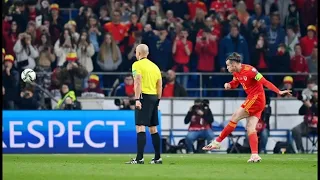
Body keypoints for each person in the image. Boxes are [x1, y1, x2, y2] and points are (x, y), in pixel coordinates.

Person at [202, 52, 291, 162]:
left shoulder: (251, 71)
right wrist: (229, 85)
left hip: (256, 98)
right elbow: (235, 83)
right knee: (250, 128)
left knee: (235, 116)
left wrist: (278, 91)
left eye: (228, 65)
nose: (227, 67)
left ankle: (217, 142)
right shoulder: (236, 72)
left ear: (234, 64)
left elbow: (265, 82)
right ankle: (255, 155)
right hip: (254, 99)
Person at [126, 44, 162, 164]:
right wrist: (158, 101)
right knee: (153, 128)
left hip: (143, 97)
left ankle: (139, 158)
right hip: (154, 97)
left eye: (136, 52)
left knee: (140, 127)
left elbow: (137, 81)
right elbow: (159, 85)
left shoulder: (137, 65)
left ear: (139, 53)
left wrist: (137, 99)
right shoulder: (155, 67)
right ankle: (157, 158)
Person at [292, 85, 318, 153]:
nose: (315, 94)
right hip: (308, 125)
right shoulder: (310, 100)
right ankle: (300, 150)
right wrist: (305, 103)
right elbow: (300, 112)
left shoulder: (312, 104)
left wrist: (310, 106)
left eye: (317, 92)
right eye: (314, 92)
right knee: (295, 130)